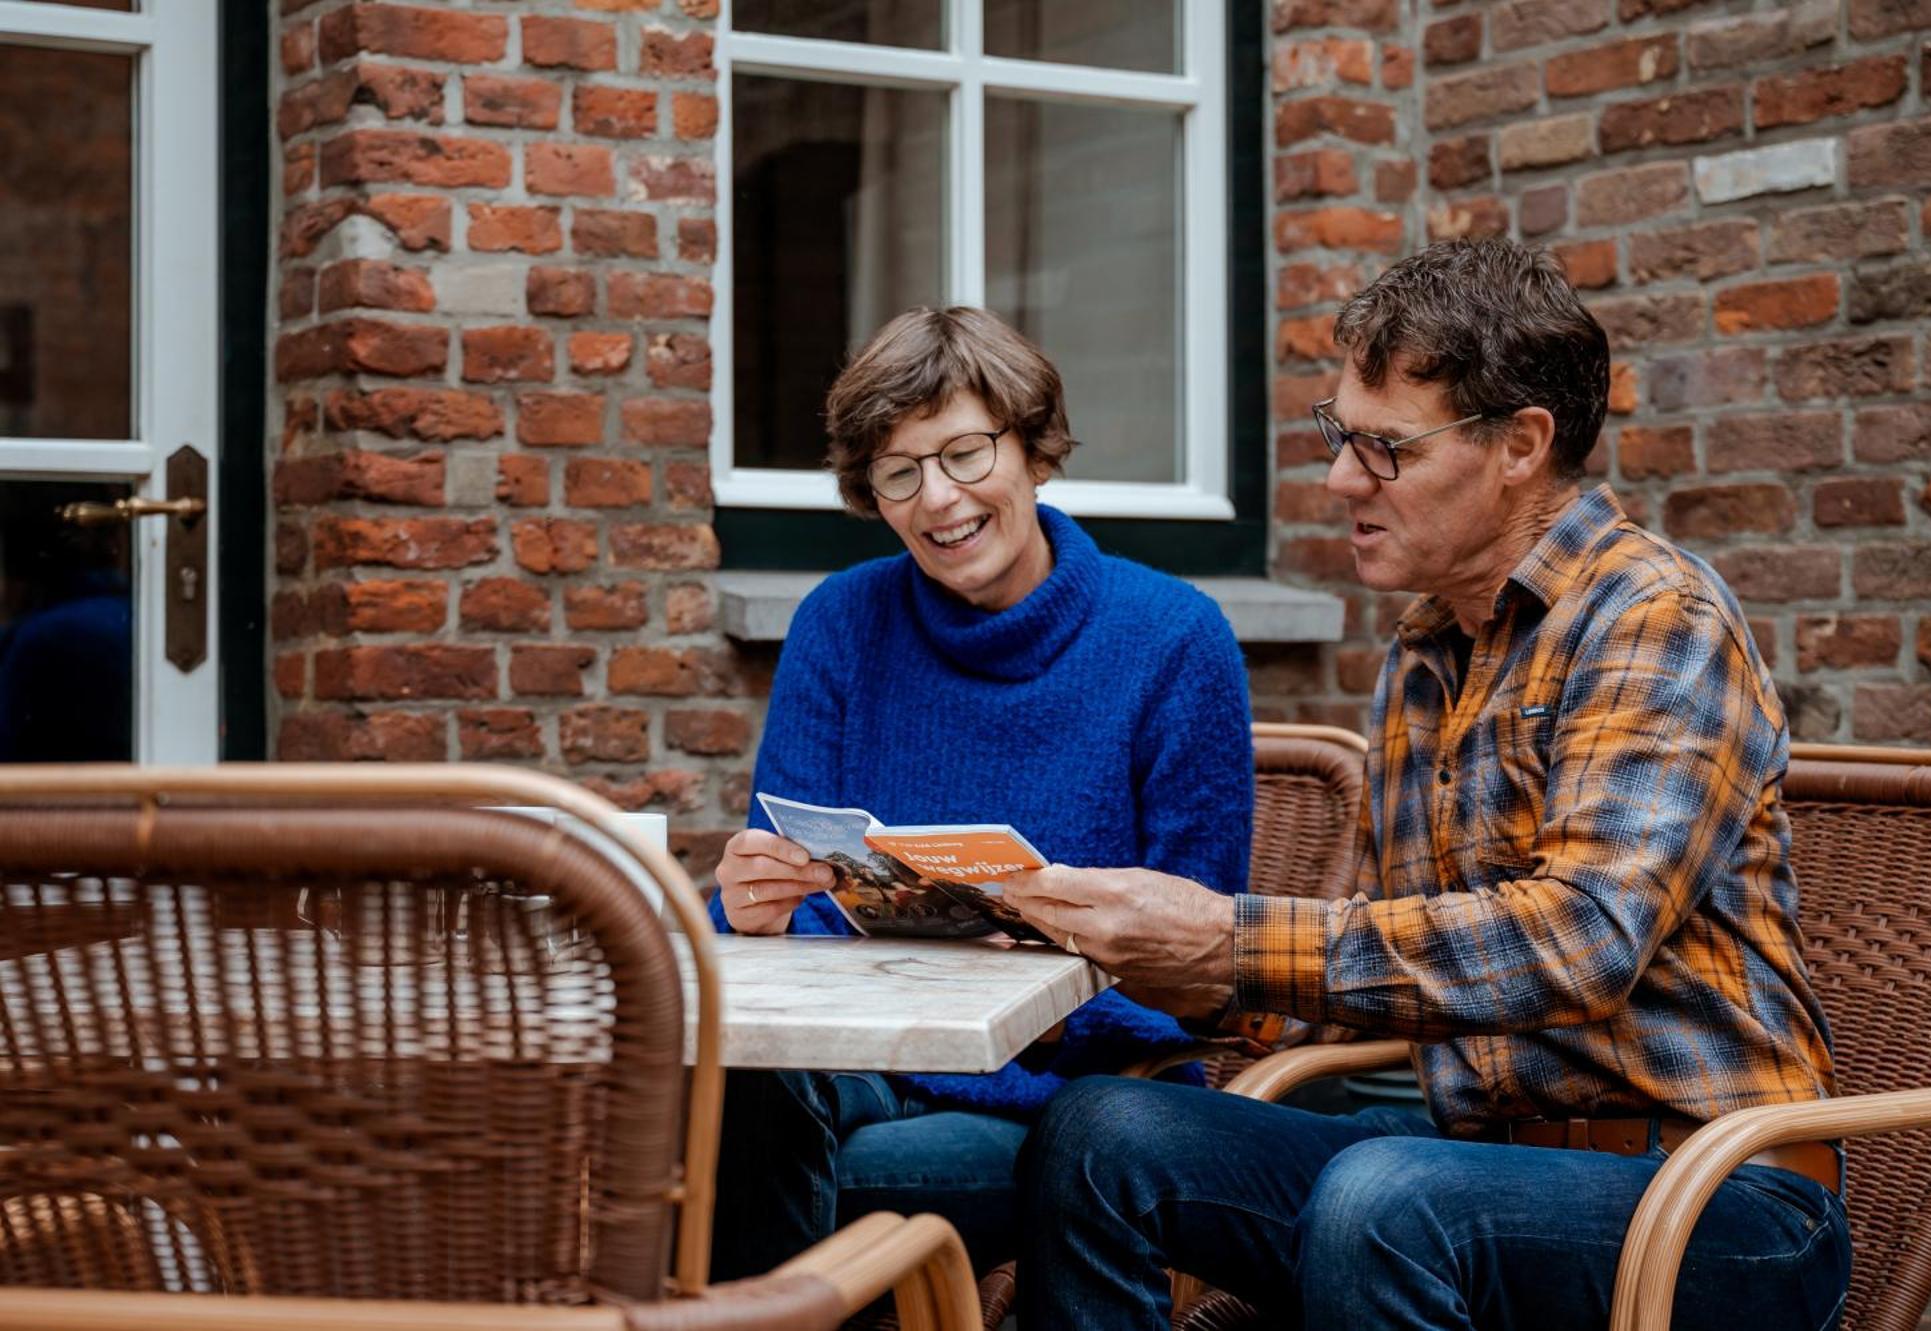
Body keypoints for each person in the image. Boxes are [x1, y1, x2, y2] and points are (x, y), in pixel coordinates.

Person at [1002, 239, 1851, 1331]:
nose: (1339, 480)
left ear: (1520, 445)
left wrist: (1227, 936)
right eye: (1338, 437)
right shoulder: (1426, 649)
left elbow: (1576, 940)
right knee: (1100, 1136)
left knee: (1387, 1197)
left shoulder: (1653, 618)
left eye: (1383, 448)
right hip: (1475, 1171)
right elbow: (1386, 947)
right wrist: (1147, 959)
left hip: (1717, 1194)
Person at [705, 306, 1254, 1283]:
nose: (937, 498)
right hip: (848, 1069)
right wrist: (750, 907)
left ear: (1033, 449)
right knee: (724, 1096)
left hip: (1057, 1095)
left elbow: (1202, 970)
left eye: (963, 453)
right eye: (898, 472)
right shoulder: (839, 620)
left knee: (731, 1166)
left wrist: (1026, 999)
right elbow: (788, 912)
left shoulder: (1173, 639)